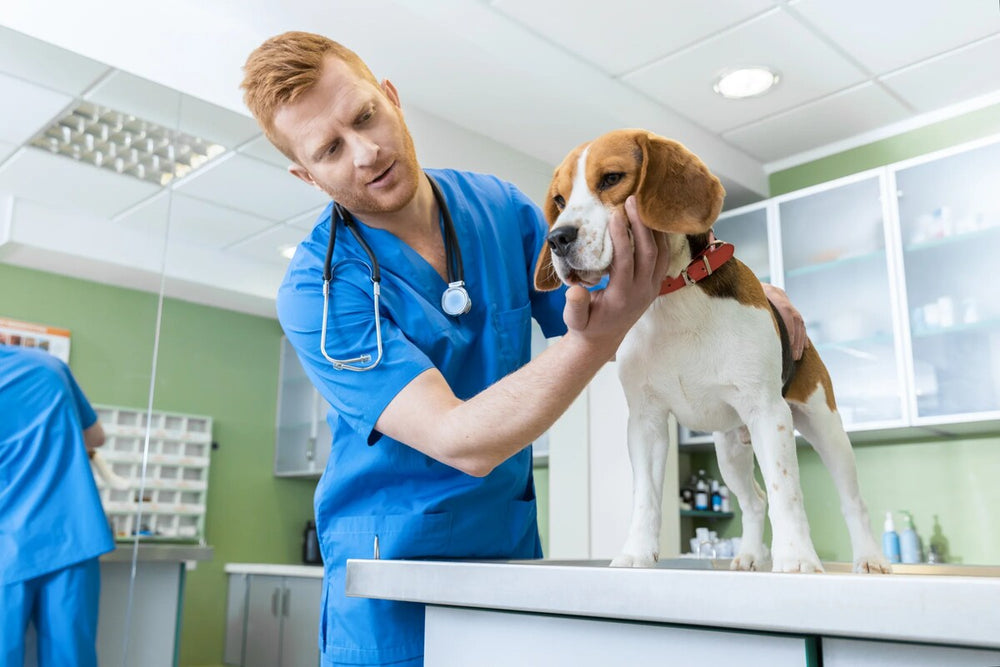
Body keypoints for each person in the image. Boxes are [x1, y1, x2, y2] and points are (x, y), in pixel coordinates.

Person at [240, 32, 806, 667]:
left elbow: (625, 298)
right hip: (387, 579)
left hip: (506, 553)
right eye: (330, 149)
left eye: (365, 115)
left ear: (391, 98)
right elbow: (460, 439)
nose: (366, 152)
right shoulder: (317, 292)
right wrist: (597, 337)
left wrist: (735, 298)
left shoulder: (502, 210)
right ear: (306, 175)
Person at [0, 345, 114, 667]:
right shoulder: (50, 366)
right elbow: (96, 437)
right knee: (71, 658)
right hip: (72, 536)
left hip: (7, 546)